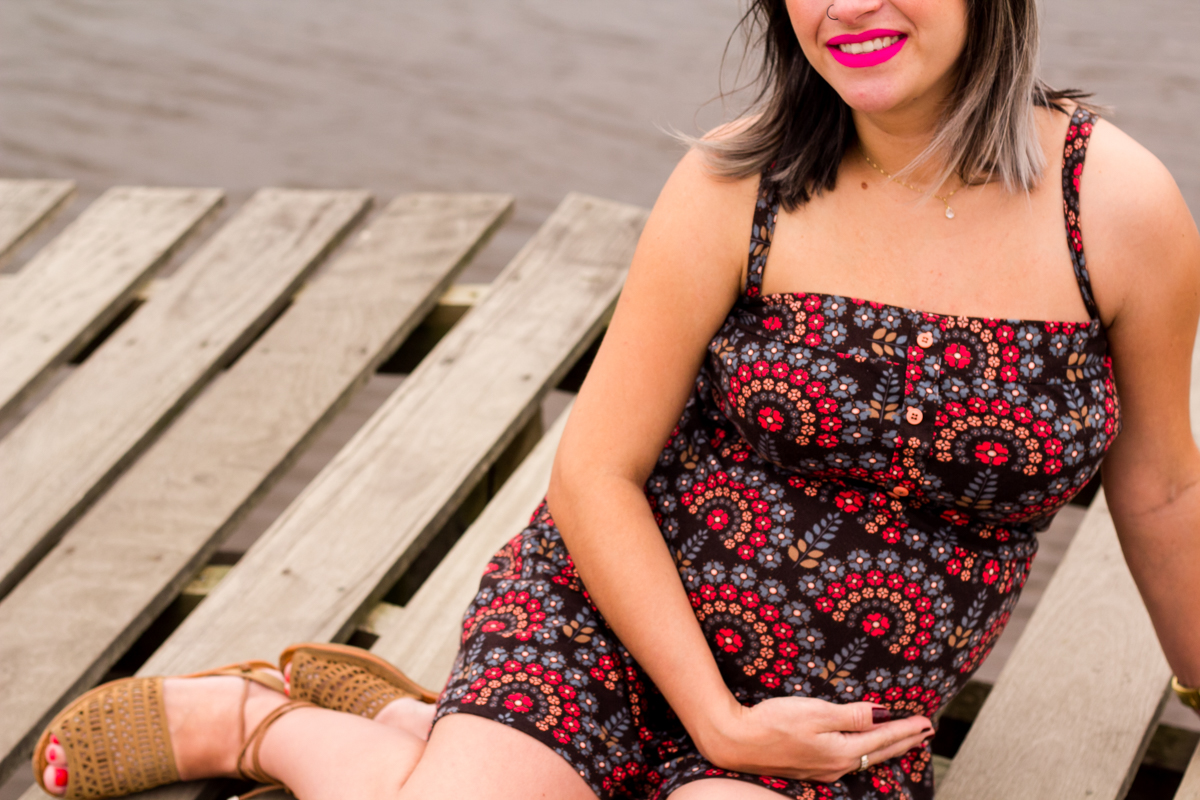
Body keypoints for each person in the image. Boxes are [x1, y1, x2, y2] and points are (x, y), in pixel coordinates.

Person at [33, 0, 1200, 798]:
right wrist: (714, 714)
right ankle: (264, 723)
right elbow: (595, 469)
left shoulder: (1111, 206)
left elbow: (1159, 487)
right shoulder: (742, 181)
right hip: (608, 627)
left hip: (833, 719)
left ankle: (411, 728)